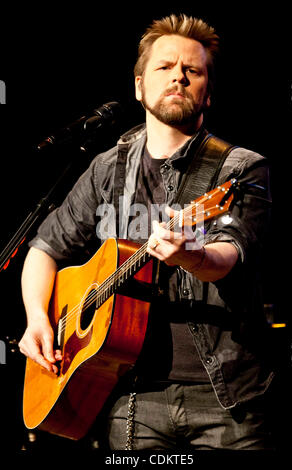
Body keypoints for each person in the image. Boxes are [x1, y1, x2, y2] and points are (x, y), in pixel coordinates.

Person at [19, 13, 274, 450]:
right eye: (164, 67)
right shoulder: (106, 167)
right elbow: (43, 248)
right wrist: (38, 319)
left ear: (208, 93)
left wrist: (191, 255)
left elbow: (228, 256)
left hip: (226, 400)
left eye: (192, 71)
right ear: (139, 86)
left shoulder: (239, 168)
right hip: (125, 395)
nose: (178, 76)